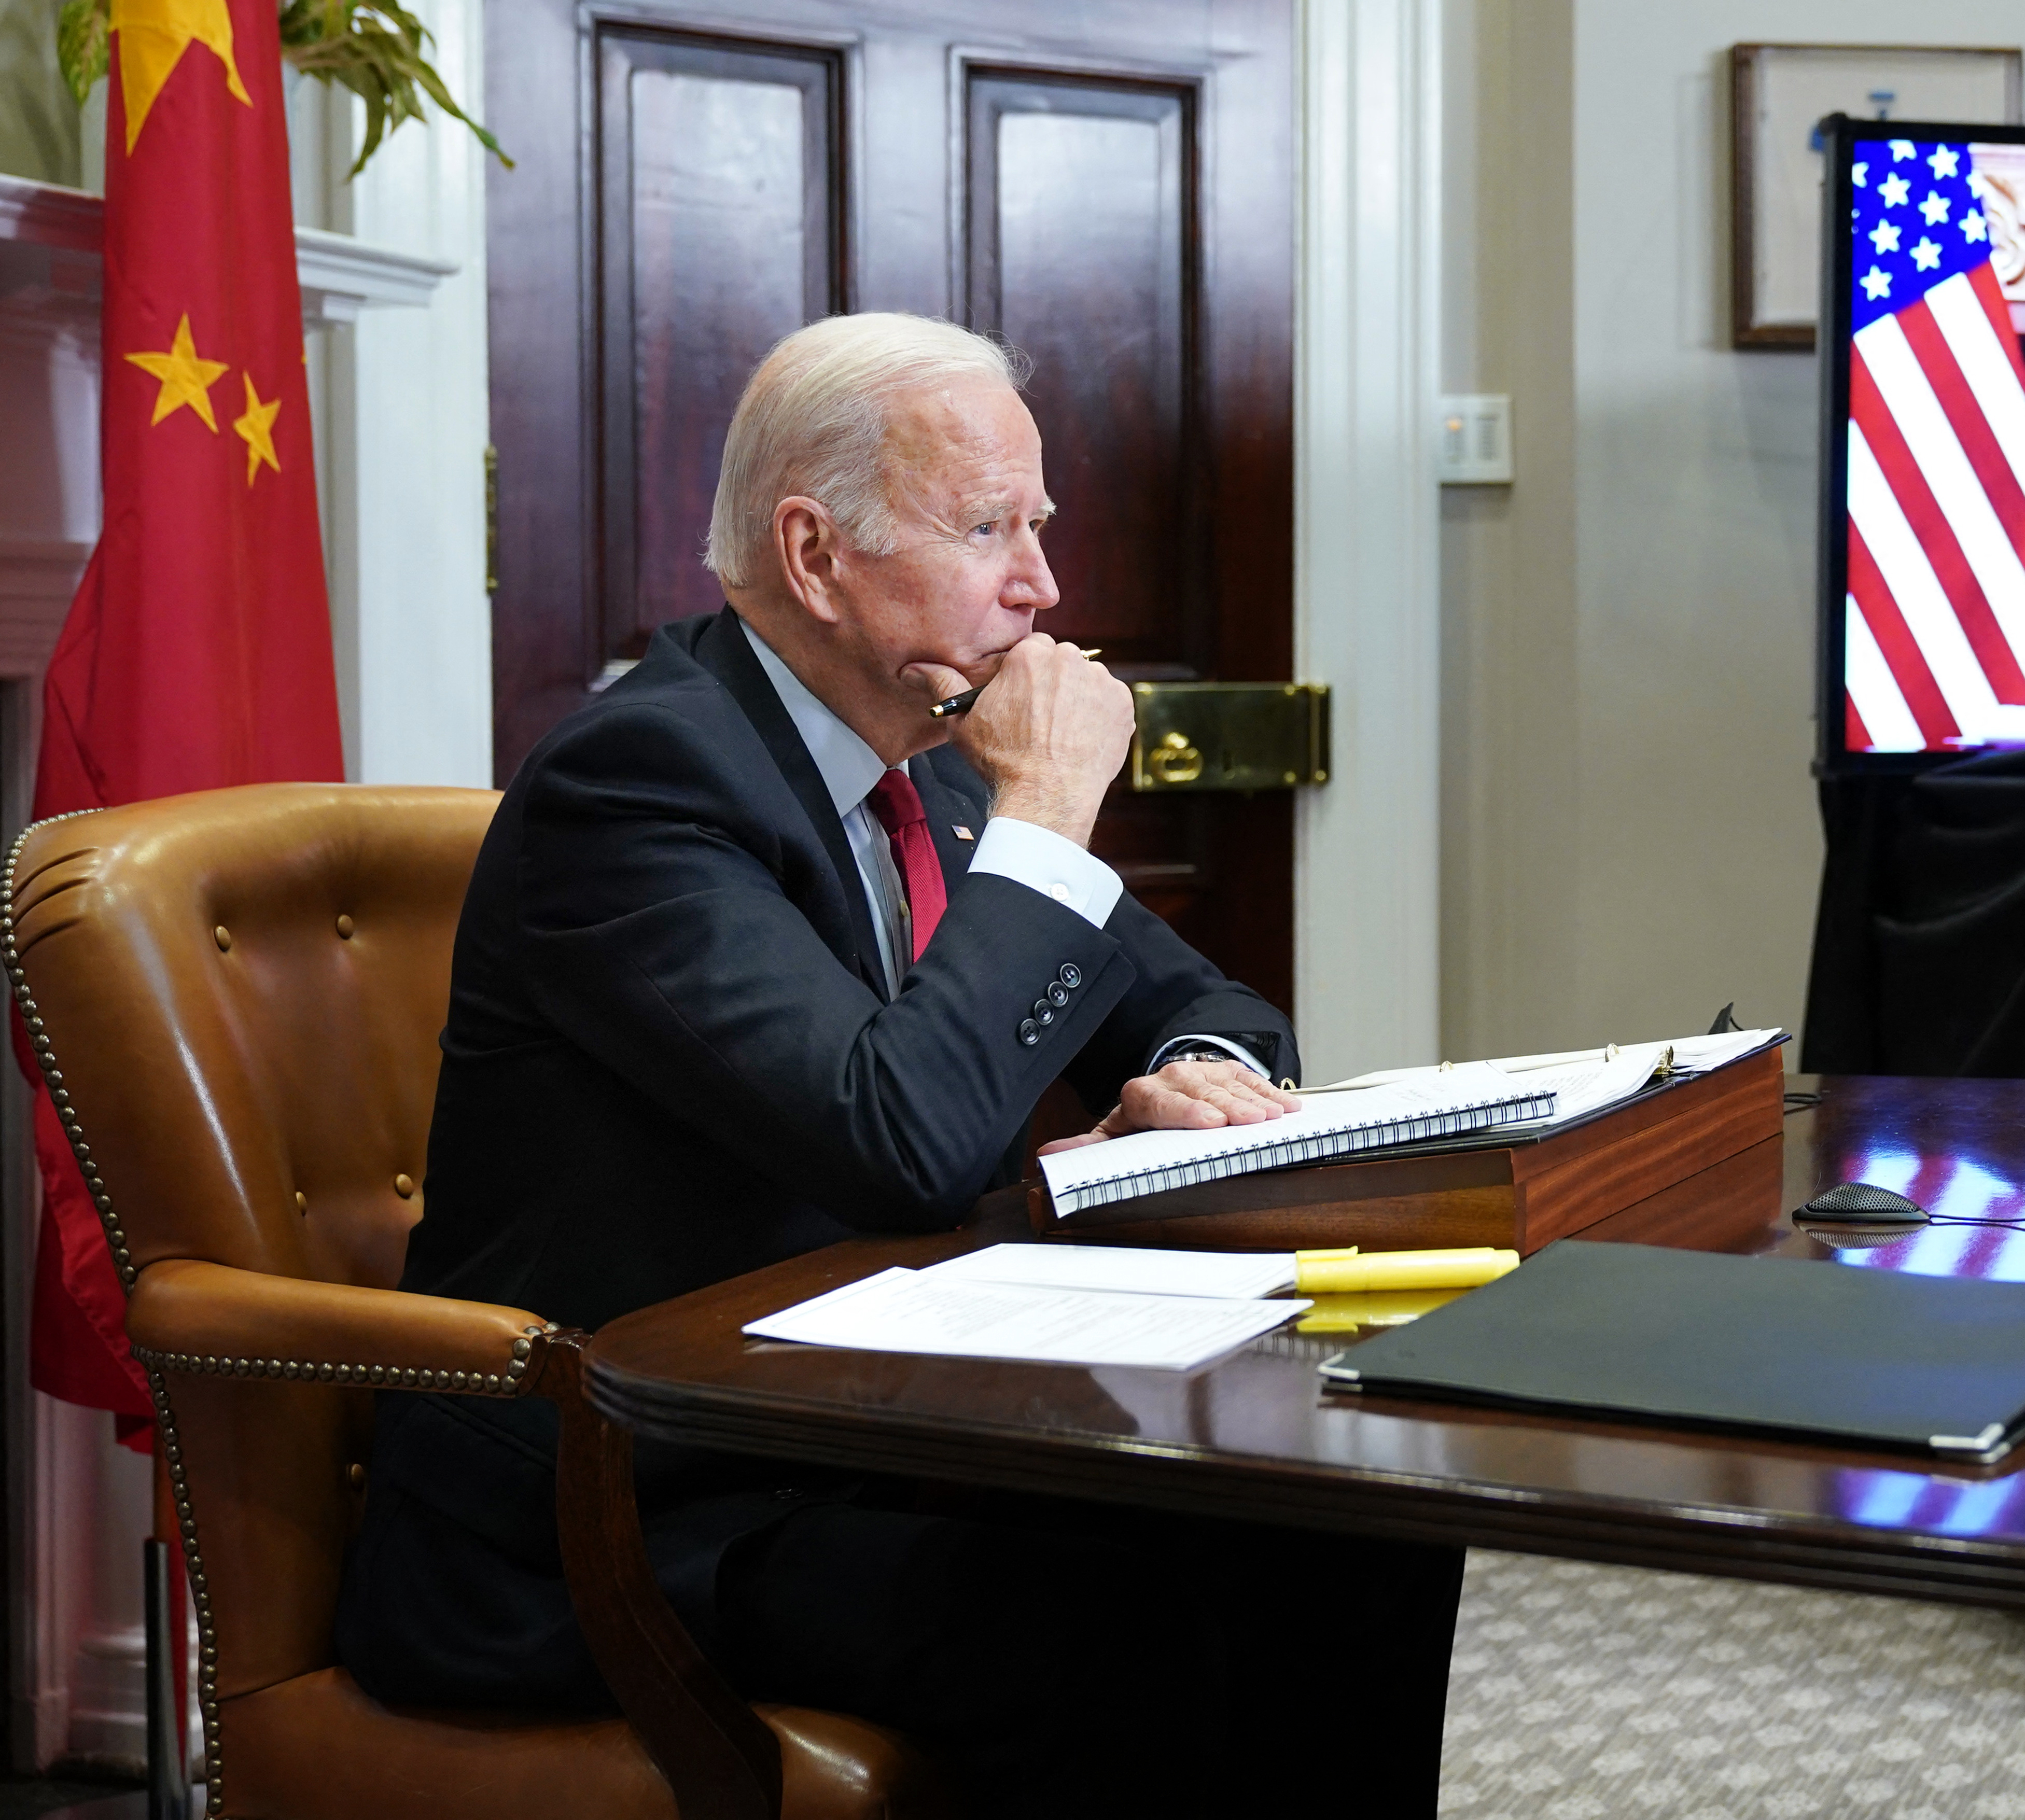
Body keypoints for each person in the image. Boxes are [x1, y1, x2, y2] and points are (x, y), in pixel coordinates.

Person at [334, 313, 1463, 1811]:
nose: (1042, 587)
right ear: (814, 555)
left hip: (878, 1433)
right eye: (984, 527)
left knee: (1357, 1533)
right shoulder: (639, 785)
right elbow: (897, 1141)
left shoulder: (929, 758)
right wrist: (1054, 807)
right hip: (632, 1499)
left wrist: (1194, 1070)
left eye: (1038, 527)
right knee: (1105, 1635)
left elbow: (1221, 1011)